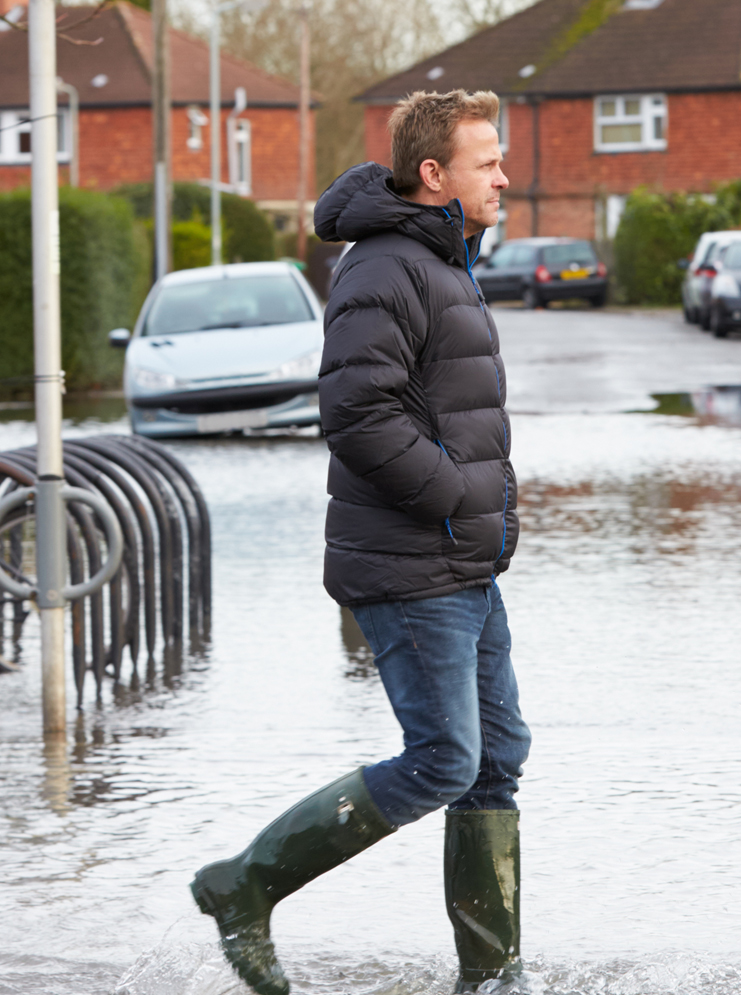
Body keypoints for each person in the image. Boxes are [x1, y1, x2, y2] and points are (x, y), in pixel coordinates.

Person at [189, 89, 527, 995]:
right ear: (434, 175)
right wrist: (458, 497)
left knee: (495, 760)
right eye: (487, 160)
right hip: (415, 559)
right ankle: (245, 883)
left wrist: (485, 516)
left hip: (463, 559)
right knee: (444, 759)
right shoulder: (385, 267)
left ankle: (492, 978)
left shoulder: (442, 260)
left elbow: (448, 408)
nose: (504, 175)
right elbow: (357, 412)